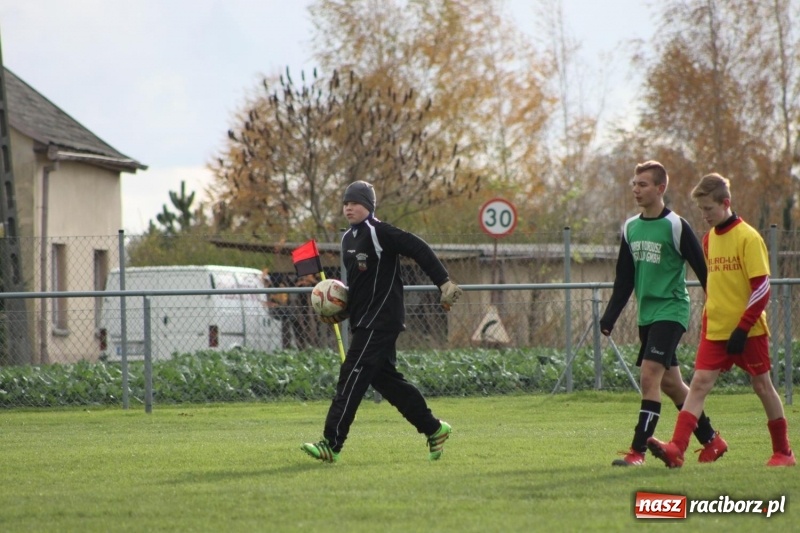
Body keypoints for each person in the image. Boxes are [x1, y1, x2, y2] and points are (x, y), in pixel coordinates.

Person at [300, 180, 463, 463]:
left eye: (355, 202)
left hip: (381, 320)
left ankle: (331, 443)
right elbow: (362, 287)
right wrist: (340, 308)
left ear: (369, 206)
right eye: (346, 203)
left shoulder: (379, 232)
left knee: (350, 376)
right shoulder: (347, 238)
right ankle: (434, 429)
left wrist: (444, 283)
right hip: (363, 320)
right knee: (387, 382)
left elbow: (418, 248)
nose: (349, 207)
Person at [648, 173, 795, 467]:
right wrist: (708, 320)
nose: (704, 215)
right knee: (700, 383)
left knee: (762, 386)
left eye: (708, 209)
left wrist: (742, 327)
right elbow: (714, 286)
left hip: (748, 331)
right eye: (701, 210)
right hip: (715, 330)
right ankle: (677, 449)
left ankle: (783, 453)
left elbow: (762, 287)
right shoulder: (708, 239)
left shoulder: (749, 237)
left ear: (725, 203)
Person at [600, 161, 726, 467]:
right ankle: (711, 440)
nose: (636, 190)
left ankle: (637, 452)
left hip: (671, 310)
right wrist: (610, 316)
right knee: (671, 384)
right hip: (648, 314)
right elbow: (624, 278)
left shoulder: (676, 226)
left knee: (649, 376)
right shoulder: (631, 227)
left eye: (643, 185)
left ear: (660, 189)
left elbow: (703, 270)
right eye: (634, 184)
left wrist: (721, 309)